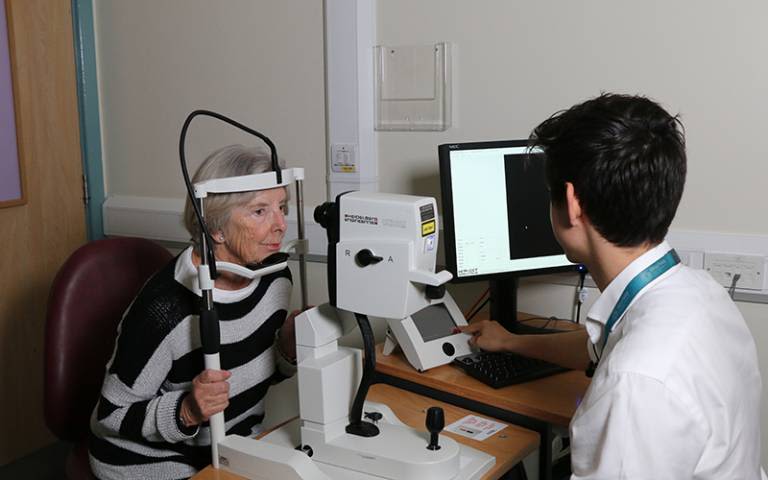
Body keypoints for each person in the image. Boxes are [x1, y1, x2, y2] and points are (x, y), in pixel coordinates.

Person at [460, 93, 765, 479]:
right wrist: (509, 342)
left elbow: (626, 367)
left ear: (571, 204)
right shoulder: (698, 292)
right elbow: (597, 346)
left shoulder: (635, 383)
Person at [89, 144, 299, 479]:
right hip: (149, 461)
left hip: (229, 450)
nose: (280, 225)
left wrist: (286, 348)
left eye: (282, 206)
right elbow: (110, 415)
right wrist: (187, 411)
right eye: (260, 211)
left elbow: (246, 378)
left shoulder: (274, 277)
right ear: (214, 227)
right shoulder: (166, 309)